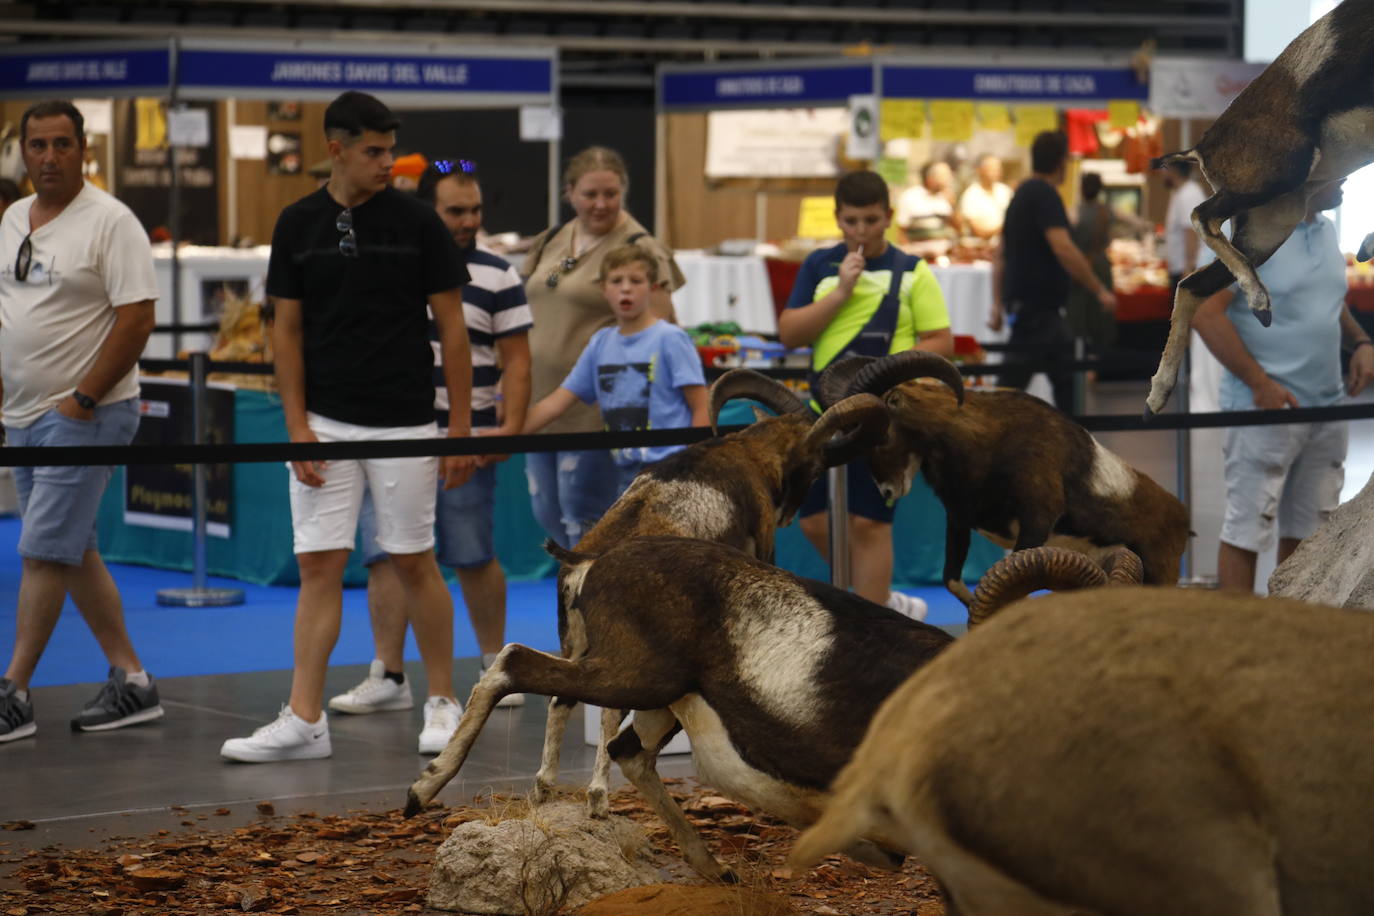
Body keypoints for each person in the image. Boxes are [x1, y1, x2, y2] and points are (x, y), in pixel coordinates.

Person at [221, 91, 476, 762]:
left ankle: (444, 702)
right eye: (374, 151)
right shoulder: (296, 222)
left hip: (407, 423)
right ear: (337, 148)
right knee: (318, 566)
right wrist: (297, 426)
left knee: (415, 559)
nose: (387, 161)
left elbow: (452, 329)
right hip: (324, 425)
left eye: (391, 149)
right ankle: (305, 719)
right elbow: (286, 331)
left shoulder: (420, 223)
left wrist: (458, 427)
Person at [331, 160, 535, 725]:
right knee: (383, 556)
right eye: (455, 211)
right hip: (393, 436)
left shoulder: (498, 274)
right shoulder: (393, 267)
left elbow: (517, 362)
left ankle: (498, 668)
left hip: (465, 439)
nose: (468, 221)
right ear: (427, 210)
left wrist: (506, 430)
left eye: (475, 211)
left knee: (471, 553)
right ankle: (388, 675)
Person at [0, 100, 160, 743]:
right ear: (24, 152)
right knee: (73, 548)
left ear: (83, 150)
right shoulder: (13, 218)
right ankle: (134, 681)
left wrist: (84, 399)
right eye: (37, 145)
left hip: (86, 414)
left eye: (61, 144)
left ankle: (13, 691)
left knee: (42, 550)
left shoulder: (112, 222)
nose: (48, 157)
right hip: (22, 414)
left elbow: (138, 318)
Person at [777, 170, 954, 618]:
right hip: (824, 416)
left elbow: (941, 341)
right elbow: (790, 334)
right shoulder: (818, 266)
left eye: (870, 220)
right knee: (815, 520)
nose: (860, 231)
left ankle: (876, 630)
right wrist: (841, 292)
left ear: (888, 218)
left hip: (884, 422)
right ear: (837, 219)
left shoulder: (912, 271)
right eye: (851, 221)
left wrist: (889, 369)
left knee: (870, 524)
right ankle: (882, 600)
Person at [1193, 179, 1374, 593]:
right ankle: (1240, 645)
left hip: (1327, 410)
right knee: (1246, 529)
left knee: (1311, 532)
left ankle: (1291, 634)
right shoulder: (1248, 235)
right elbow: (1205, 312)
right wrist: (1259, 383)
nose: (1348, 177)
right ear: (1310, 174)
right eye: (1340, 168)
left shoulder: (1326, 231)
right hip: (1264, 412)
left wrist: (1361, 342)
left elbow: (1329, 302)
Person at [522, 146, 684, 547]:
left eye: (610, 194)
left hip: (599, 413)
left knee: (588, 519)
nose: (600, 204)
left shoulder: (638, 246)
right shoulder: (553, 239)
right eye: (590, 194)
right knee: (548, 516)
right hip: (542, 404)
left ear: (624, 192)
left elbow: (662, 331)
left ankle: (598, 606)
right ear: (569, 192)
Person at [524, 243, 707, 493]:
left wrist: (692, 462)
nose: (626, 288)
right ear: (603, 289)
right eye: (616, 281)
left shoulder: (671, 338)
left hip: (671, 467)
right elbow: (558, 400)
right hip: (624, 468)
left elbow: (700, 405)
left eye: (636, 280)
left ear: (653, 288)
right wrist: (507, 435)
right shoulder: (601, 342)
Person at [990, 131, 1117, 412]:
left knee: (1064, 380)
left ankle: (1069, 443)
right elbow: (1063, 248)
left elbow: (999, 254)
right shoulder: (1045, 195)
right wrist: (1099, 290)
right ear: (1061, 163)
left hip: (1032, 312)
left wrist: (997, 304)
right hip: (1038, 313)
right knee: (1008, 393)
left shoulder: (1021, 194)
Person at [1066, 172, 1118, 358]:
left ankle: (1082, 363)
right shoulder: (1107, 211)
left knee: (1079, 318)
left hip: (1080, 267)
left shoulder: (1074, 211)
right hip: (1101, 266)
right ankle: (1095, 366)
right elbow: (1133, 222)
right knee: (1099, 320)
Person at [1162, 159, 1207, 289]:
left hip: (1187, 268)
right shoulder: (1179, 192)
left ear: (1173, 171)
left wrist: (1188, 268)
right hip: (1179, 266)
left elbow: (1191, 232)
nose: (1162, 174)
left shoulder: (1189, 194)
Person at [895, 161, 961, 246]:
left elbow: (959, 229)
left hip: (945, 252)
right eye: (944, 176)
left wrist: (953, 205)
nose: (949, 180)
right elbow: (901, 233)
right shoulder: (910, 197)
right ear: (930, 178)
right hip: (918, 252)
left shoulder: (946, 197)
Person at [957, 153, 1012, 241]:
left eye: (998, 169)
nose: (996, 172)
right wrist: (1004, 228)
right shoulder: (971, 195)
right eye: (992, 169)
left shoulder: (1005, 191)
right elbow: (979, 232)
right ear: (979, 170)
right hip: (981, 246)